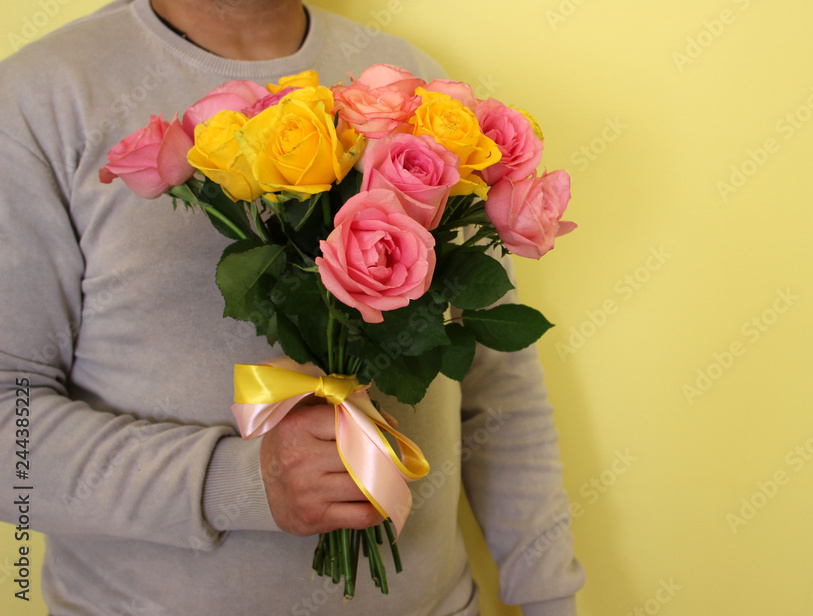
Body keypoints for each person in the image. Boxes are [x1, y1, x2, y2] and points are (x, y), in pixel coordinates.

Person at [0, 0, 584, 614]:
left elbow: (497, 388)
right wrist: (238, 482)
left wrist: (549, 597)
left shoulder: (413, 88)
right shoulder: (41, 99)